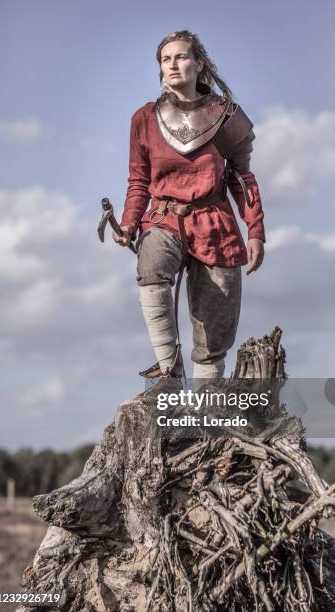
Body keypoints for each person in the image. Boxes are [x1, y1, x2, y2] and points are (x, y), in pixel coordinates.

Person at [113, 30, 266, 399]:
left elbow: (242, 177)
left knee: (213, 329)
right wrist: (130, 222)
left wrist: (255, 230)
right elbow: (138, 181)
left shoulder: (226, 115)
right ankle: (168, 368)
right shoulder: (144, 119)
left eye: (181, 57)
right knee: (151, 266)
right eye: (166, 59)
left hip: (215, 224)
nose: (173, 64)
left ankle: (203, 407)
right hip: (163, 217)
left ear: (199, 64)